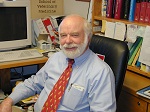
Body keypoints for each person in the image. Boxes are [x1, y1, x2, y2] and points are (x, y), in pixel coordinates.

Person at [0, 14, 116, 112]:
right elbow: (34, 83)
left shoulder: (101, 72)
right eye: (63, 35)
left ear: (88, 37)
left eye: (75, 35)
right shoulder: (56, 58)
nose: (68, 41)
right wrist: (9, 100)